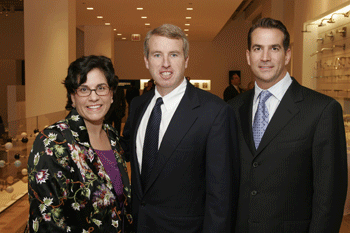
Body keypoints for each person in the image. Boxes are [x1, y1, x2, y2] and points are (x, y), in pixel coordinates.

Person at [229, 18, 348, 233]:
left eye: (274, 48)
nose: (265, 57)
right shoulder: (231, 109)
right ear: (248, 56)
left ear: (287, 55)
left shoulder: (321, 110)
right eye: (257, 49)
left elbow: (329, 197)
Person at [122, 24, 237, 232]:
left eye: (173, 54)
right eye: (157, 55)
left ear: (186, 60)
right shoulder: (138, 106)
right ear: (147, 61)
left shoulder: (215, 112)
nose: (165, 63)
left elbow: (221, 196)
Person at [26, 55, 133, 232]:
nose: (94, 97)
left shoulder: (113, 136)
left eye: (101, 88)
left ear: (111, 94)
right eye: (84, 89)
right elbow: (47, 222)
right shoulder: (52, 142)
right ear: (72, 97)